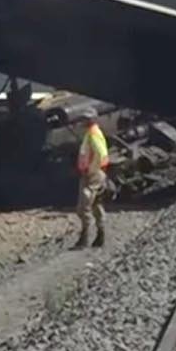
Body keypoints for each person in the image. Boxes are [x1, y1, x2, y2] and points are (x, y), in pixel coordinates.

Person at [72, 107, 110, 250]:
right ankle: (100, 235)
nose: (83, 121)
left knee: (83, 207)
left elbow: (101, 154)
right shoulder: (92, 133)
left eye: (85, 119)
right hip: (96, 173)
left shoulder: (93, 133)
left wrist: (91, 170)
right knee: (96, 205)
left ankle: (84, 238)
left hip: (92, 175)